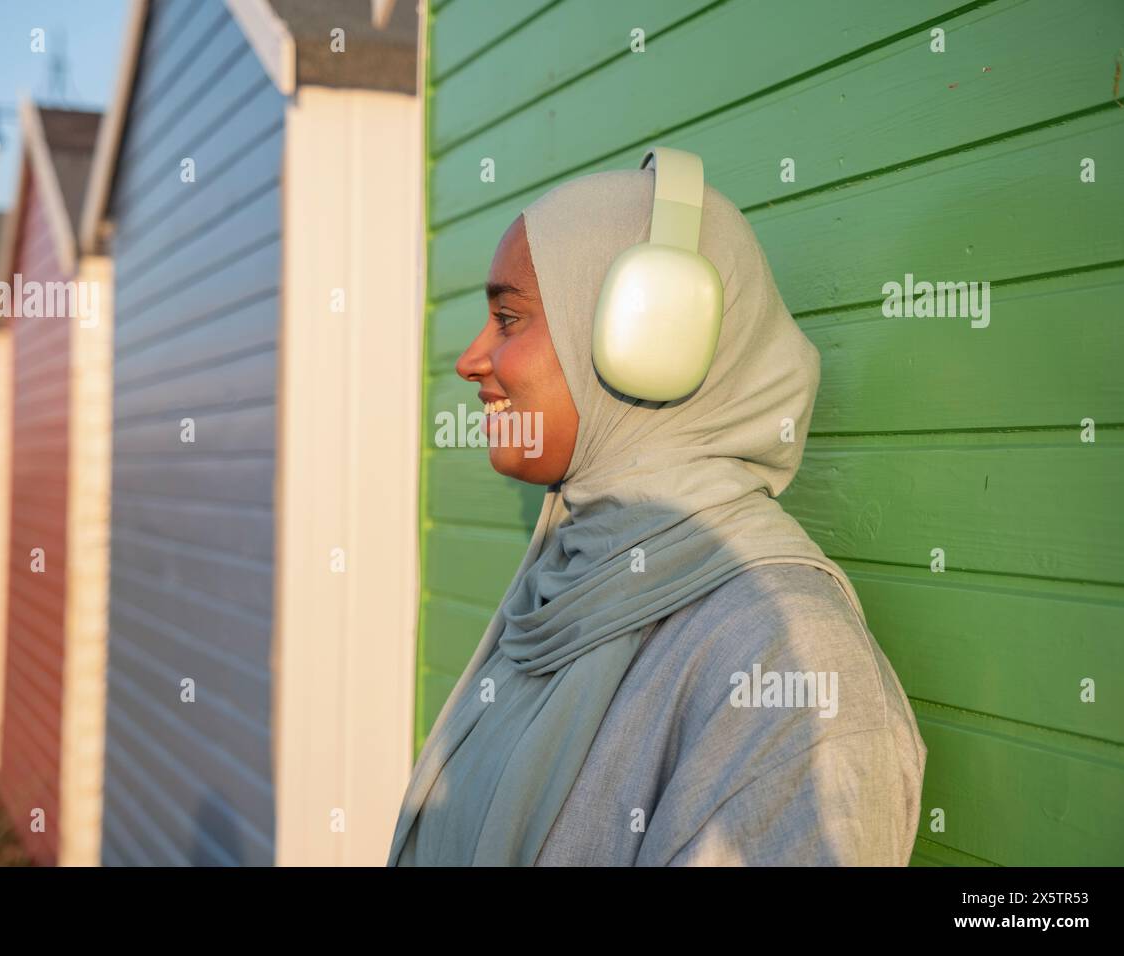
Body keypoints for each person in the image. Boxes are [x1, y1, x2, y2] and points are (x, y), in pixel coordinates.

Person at [386, 164, 927, 866]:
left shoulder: (786, 665)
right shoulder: (571, 587)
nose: (470, 360)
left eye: (508, 318)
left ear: (654, 339)